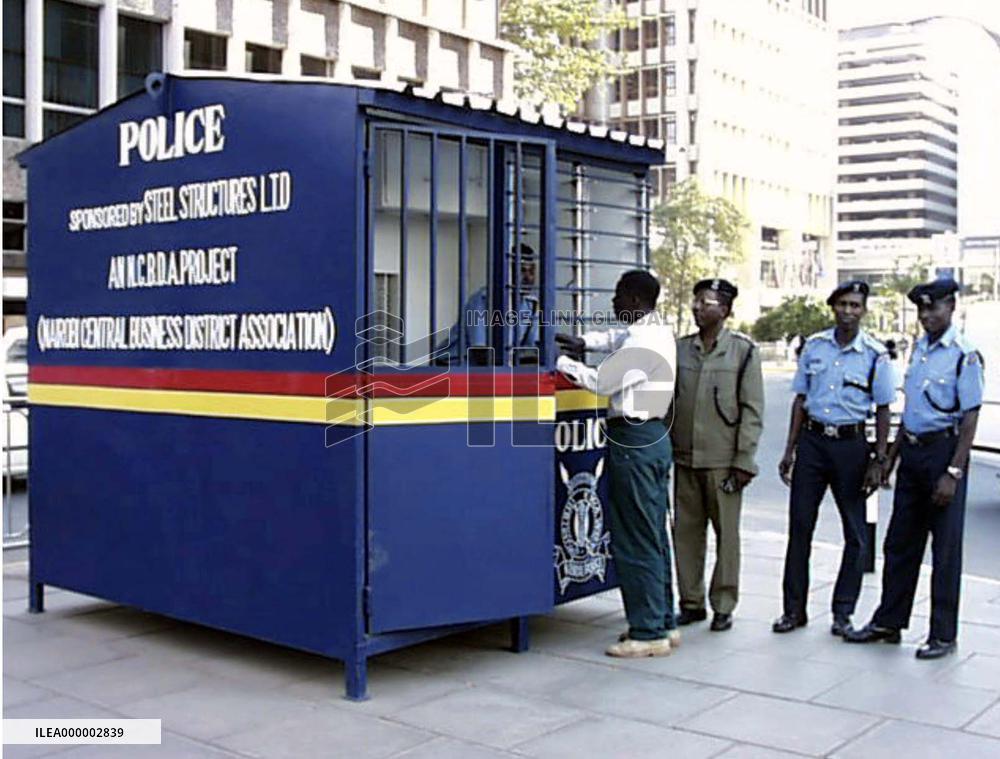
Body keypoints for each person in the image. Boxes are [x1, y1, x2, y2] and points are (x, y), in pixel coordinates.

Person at [846, 278, 984, 659]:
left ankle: (943, 634)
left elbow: (970, 416)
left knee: (944, 550)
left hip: (944, 454)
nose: (926, 316)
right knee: (899, 543)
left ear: (951, 307)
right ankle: (889, 622)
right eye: (921, 310)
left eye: (933, 308)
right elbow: (915, 410)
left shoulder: (964, 354)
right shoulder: (920, 349)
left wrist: (953, 473)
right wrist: (890, 457)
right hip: (913, 454)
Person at [555, 270, 678, 658]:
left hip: (633, 440)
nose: (613, 304)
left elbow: (601, 382)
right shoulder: (656, 328)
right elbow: (616, 338)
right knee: (654, 534)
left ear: (636, 302)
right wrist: (583, 341)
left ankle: (647, 632)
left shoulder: (643, 340)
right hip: (652, 438)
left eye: (619, 297)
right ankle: (663, 620)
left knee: (635, 536)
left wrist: (561, 362)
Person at [773, 281, 896, 637]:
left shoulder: (875, 354)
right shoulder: (814, 347)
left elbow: (884, 409)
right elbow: (800, 400)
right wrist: (789, 449)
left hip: (851, 446)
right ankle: (793, 611)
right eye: (842, 304)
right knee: (800, 528)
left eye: (855, 305)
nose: (848, 311)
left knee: (856, 534)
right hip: (813, 443)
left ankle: (843, 612)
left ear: (864, 310)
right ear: (833, 307)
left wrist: (880, 458)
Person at [671, 279, 764, 632]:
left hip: (724, 461)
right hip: (685, 457)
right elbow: (670, 403)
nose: (697, 308)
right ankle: (690, 602)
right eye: (695, 301)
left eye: (706, 302)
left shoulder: (743, 352)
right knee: (686, 534)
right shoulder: (681, 350)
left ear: (724, 310)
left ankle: (723, 604)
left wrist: (744, 460)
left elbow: (752, 410)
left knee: (727, 535)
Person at [442, 243, 539, 364]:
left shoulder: (531, 305)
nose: (529, 278)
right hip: (452, 366)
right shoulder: (482, 301)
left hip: (491, 367)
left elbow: (532, 350)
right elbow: (480, 352)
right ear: (507, 272)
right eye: (522, 270)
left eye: (532, 271)